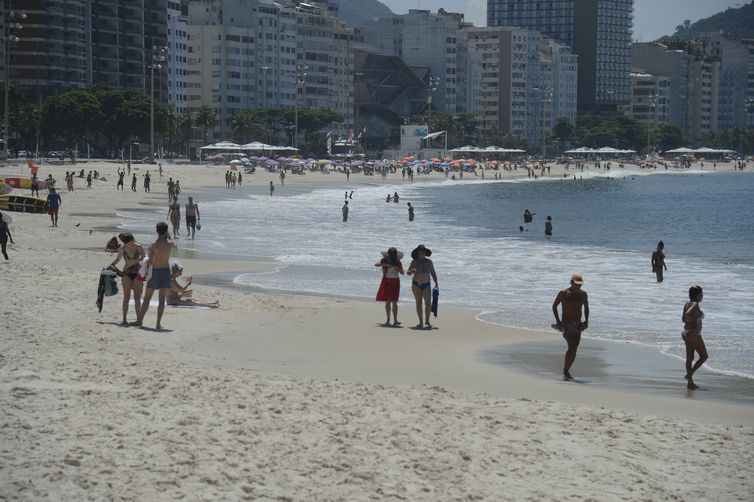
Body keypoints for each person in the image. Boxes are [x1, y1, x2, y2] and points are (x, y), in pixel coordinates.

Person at [136, 222, 177, 329]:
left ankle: (140, 321)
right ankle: (158, 323)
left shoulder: (153, 245)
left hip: (155, 271)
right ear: (166, 231)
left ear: (157, 231)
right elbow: (176, 247)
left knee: (147, 298)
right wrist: (170, 236)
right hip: (165, 271)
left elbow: (150, 261)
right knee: (162, 299)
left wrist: (145, 266)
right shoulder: (169, 243)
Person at [552, 273, 589, 381]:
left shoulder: (583, 295)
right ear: (571, 282)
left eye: (580, 284)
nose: (578, 286)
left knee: (575, 350)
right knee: (571, 347)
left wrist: (586, 321)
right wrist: (558, 321)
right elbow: (554, 306)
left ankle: (566, 370)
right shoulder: (563, 293)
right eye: (576, 284)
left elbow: (586, 308)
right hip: (566, 324)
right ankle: (565, 371)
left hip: (577, 324)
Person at [109, 232, 145, 325]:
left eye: (132, 241)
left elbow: (144, 257)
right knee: (126, 296)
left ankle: (138, 320)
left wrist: (136, 261)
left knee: (137, 297)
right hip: (126, 273)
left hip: (137, 273)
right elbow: (117, 260)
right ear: (125, 243)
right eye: (128, 243)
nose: (131, 244)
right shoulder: (122, 249)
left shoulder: (138, 247)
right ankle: (124, 319)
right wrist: (111, 266)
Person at [682, 285, 708, 390]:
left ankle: (690, 384)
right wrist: (697, 316)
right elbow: (687, 315)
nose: (702, 296)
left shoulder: (687, 304)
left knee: (690, 358)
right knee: (704, 356)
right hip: (693, 334)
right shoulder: (695, 304)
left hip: (686, 333)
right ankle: (689, 375)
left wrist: (691, 317)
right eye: (702, 294)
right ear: (698, 295)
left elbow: (683, 319)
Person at [407, 244, 438, 329]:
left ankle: (427, 321)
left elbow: (433, 273)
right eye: (420, 251)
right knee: (419, 303)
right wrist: (412, 271)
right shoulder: (414, 262)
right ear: (417, 252)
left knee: (428, 303)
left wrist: (436, 283)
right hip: (416, 285)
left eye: (423, 251)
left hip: (427, 285)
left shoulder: (429, 262)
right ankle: (420, 322)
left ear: (425, 252)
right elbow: (408, 273)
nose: (422, 252)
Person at [375, 247, 404, 326]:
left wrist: (398, 269)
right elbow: (376, 264)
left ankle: (395, 320)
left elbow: (402, 272)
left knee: (394, 301)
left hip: (395, 282)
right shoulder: (384, 260)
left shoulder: (398, 262)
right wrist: (385, 264)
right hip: (387, 281)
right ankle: (388, 319)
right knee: (388, 300)